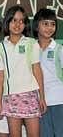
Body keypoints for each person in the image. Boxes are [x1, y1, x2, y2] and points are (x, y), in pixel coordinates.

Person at [0, 5, 47, 137]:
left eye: (21, 21)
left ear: (25, 24)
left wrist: (42, 98)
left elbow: (37, 70)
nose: (17, 24)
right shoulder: (0, 47)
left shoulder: (31, 43)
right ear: (8, 22)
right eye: (14, 20)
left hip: (30, 95)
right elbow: (0, 76)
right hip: (10, 97)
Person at [33, 8, 63, 137]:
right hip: (39, 101)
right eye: (45, 24)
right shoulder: (31, 47)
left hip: (59, 100)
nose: (49, 28)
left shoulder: (59, 48)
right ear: (36, 26)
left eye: (53, 24)